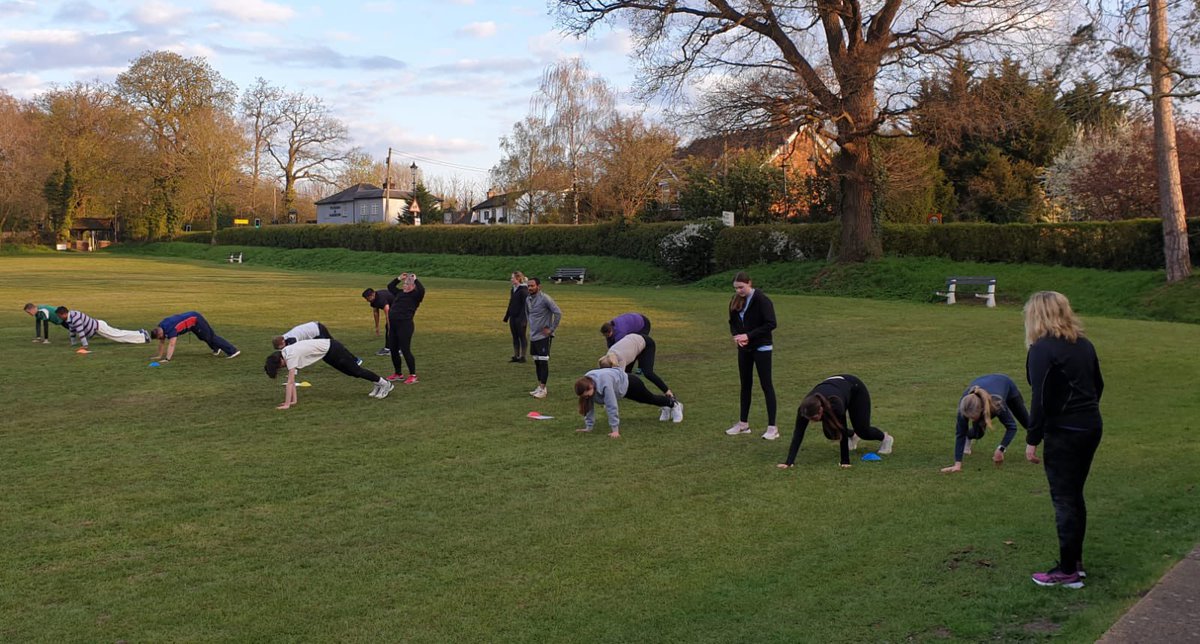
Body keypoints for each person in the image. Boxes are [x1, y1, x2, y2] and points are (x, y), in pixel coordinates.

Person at [1024, 291, 1103, 589]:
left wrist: (1033, 437)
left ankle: (1068, 571)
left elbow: (1039, 398)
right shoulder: (1083, 344)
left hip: (1066, 432)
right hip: (1090, 426)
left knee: (1064, 499)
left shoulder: (1042, 349)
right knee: (1074, 495)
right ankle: (1075, 562)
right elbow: (1098, 386)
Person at [779, 375, 895, 469]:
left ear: (821, 410)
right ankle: (853, 436)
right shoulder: (804, 409)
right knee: (830, 433)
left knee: (862, 431)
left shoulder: (836, 404)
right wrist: (789, 462)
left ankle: (886, 439)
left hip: (855, 389)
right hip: (835, 387)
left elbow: (842, 429)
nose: (812, 422)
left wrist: (845, 461)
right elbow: (798, 433)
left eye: (815, 419)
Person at [724, 272, 780, 440]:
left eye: (742, 287)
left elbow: (771, 323)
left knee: (766, 385)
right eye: (736, 288)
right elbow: (733, 323)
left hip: (762, 347)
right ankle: (743, 424)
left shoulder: (762, 300)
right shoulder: (735, 300)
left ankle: (772, 428)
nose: (739, 291)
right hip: (744, 349)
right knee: (745, 385)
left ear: (750, 283)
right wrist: (737, 337)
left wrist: (749, 335)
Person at [264, 338, 394, 409]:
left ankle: (385, 384)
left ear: (280, 360)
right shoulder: (286, 352)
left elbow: (291, 382)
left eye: (280, 366)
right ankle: (377, 383)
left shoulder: (290, 356)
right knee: (352, 373)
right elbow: (292, 381)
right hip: (327, 352)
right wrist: (293, 402)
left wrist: (287, 404)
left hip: (333, 348)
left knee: (356, 370)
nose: (283, 367)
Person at [940, 374, 1032, 473]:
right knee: (978, 433)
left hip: (1005, 384)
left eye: (972, 417)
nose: (970, 419)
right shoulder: (964, 406)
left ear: (982, 410)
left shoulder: (996, 403)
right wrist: (957, 464)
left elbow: (1011, 427)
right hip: (983, 384)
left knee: (1029, 425)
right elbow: (960, 433)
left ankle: (1047, 447)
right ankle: (969, 437)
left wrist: (1001, 449)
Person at [574, 368, 682, 439]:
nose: (587, 397)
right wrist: (588, 427)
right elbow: (588, 406)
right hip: (620, 388)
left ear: (591, 386)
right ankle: (666, 407)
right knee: (648, 400)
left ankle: (673, 404)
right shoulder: (586, 382)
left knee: (649, 399)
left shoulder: (605, 383)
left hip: (631, 384)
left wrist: (615, 430)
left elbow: (612, 406)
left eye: (587, 394)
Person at [598, 333, 678, 421]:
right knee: (628, 376)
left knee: (647, 372)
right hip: (632, 345)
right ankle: (663, 403)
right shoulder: (608, 356)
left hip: (645, 343)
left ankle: (669, 393)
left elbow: (618, 380)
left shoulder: (620, 360)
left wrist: (608, 399)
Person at [384, 272, 425, 384]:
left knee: (405, 350)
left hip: (405, 325)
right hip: (394, 326)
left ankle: (413, 375)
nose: (404, 285)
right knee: (393, 349)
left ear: (412, 286)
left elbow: (422, 290)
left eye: (407, 284)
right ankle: (398, 374)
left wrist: (415, 279)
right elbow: (390, 286)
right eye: (404, 284)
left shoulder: (415, 296)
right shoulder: (400, 293)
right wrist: (399, 278)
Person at [150, 311, 239, 362]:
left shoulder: (171, 329)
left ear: (160, 334)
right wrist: (159, 356)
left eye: (159, 337)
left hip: (196, 320)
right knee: (203, 337)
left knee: (211, 337)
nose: (160, 339)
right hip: (191, 323)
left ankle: (232, 351)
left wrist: (167, 359)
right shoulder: (160, 326)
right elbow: (161, 342)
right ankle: (216, 348)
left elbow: (172, 344)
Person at [55, 306, 150, 354]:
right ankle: (140, 332)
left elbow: (81, 332)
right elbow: (72, 331)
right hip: (97, 326)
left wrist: (85, 346)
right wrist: (73, 343)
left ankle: (143, 337)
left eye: (59, 316)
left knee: (118, 336)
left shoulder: (75, 317)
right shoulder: (70, 317)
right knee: (118, 333)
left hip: (98, 328)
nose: (59, 317)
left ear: (63, 314)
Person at [525, 277, 562, 399]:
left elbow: (558, 312)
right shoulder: (528, 299)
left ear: (538, 286)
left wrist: (551, 329)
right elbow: (528, 314)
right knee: (536, 362)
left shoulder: (545, 299)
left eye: (532, 286)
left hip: (543, 337)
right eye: (528, 286)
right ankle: (540, 387)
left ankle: (543, 388)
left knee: (543, 362)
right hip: (533, 336)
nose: (530, 288)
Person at [503, 271, 529, 363]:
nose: (511, 279)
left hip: (520, 318)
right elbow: (511, 303)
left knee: (522, 336)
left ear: (518, 279)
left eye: (512, 278)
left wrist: (524, 319)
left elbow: (525, 306)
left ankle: (523, 356)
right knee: (515, 336)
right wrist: (507, 316)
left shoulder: (523, 290)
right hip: (513, 317)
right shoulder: (513, 289)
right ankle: (516, 355)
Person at [361, 286, 394, 356]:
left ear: (373, 294)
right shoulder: (374, 300)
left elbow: (388, 314)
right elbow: (376, 312)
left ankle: (398, 350)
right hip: (392, 307)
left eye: (368, 298)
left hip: (399, 306)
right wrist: (377, 327)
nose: (367, 300)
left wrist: (390, 327)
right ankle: (388, 349)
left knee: (393, 327)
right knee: (388, 327)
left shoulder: (381, 300)